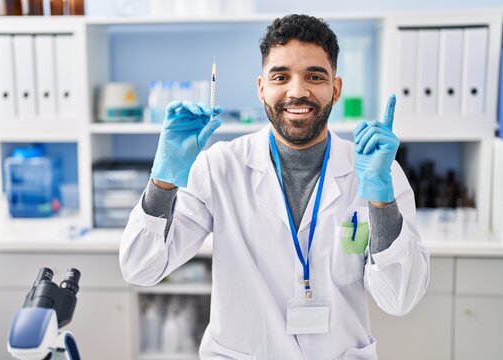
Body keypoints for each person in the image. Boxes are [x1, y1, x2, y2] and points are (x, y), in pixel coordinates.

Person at [120, 14, 429, 359]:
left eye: (315, 76)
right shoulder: (220, 167)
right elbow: (140, 268)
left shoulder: (377, 172)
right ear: (261, 87)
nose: (297, 91)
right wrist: (163, 180)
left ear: (336, 89)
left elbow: (400, 297)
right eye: (281, 76)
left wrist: (381, 201)